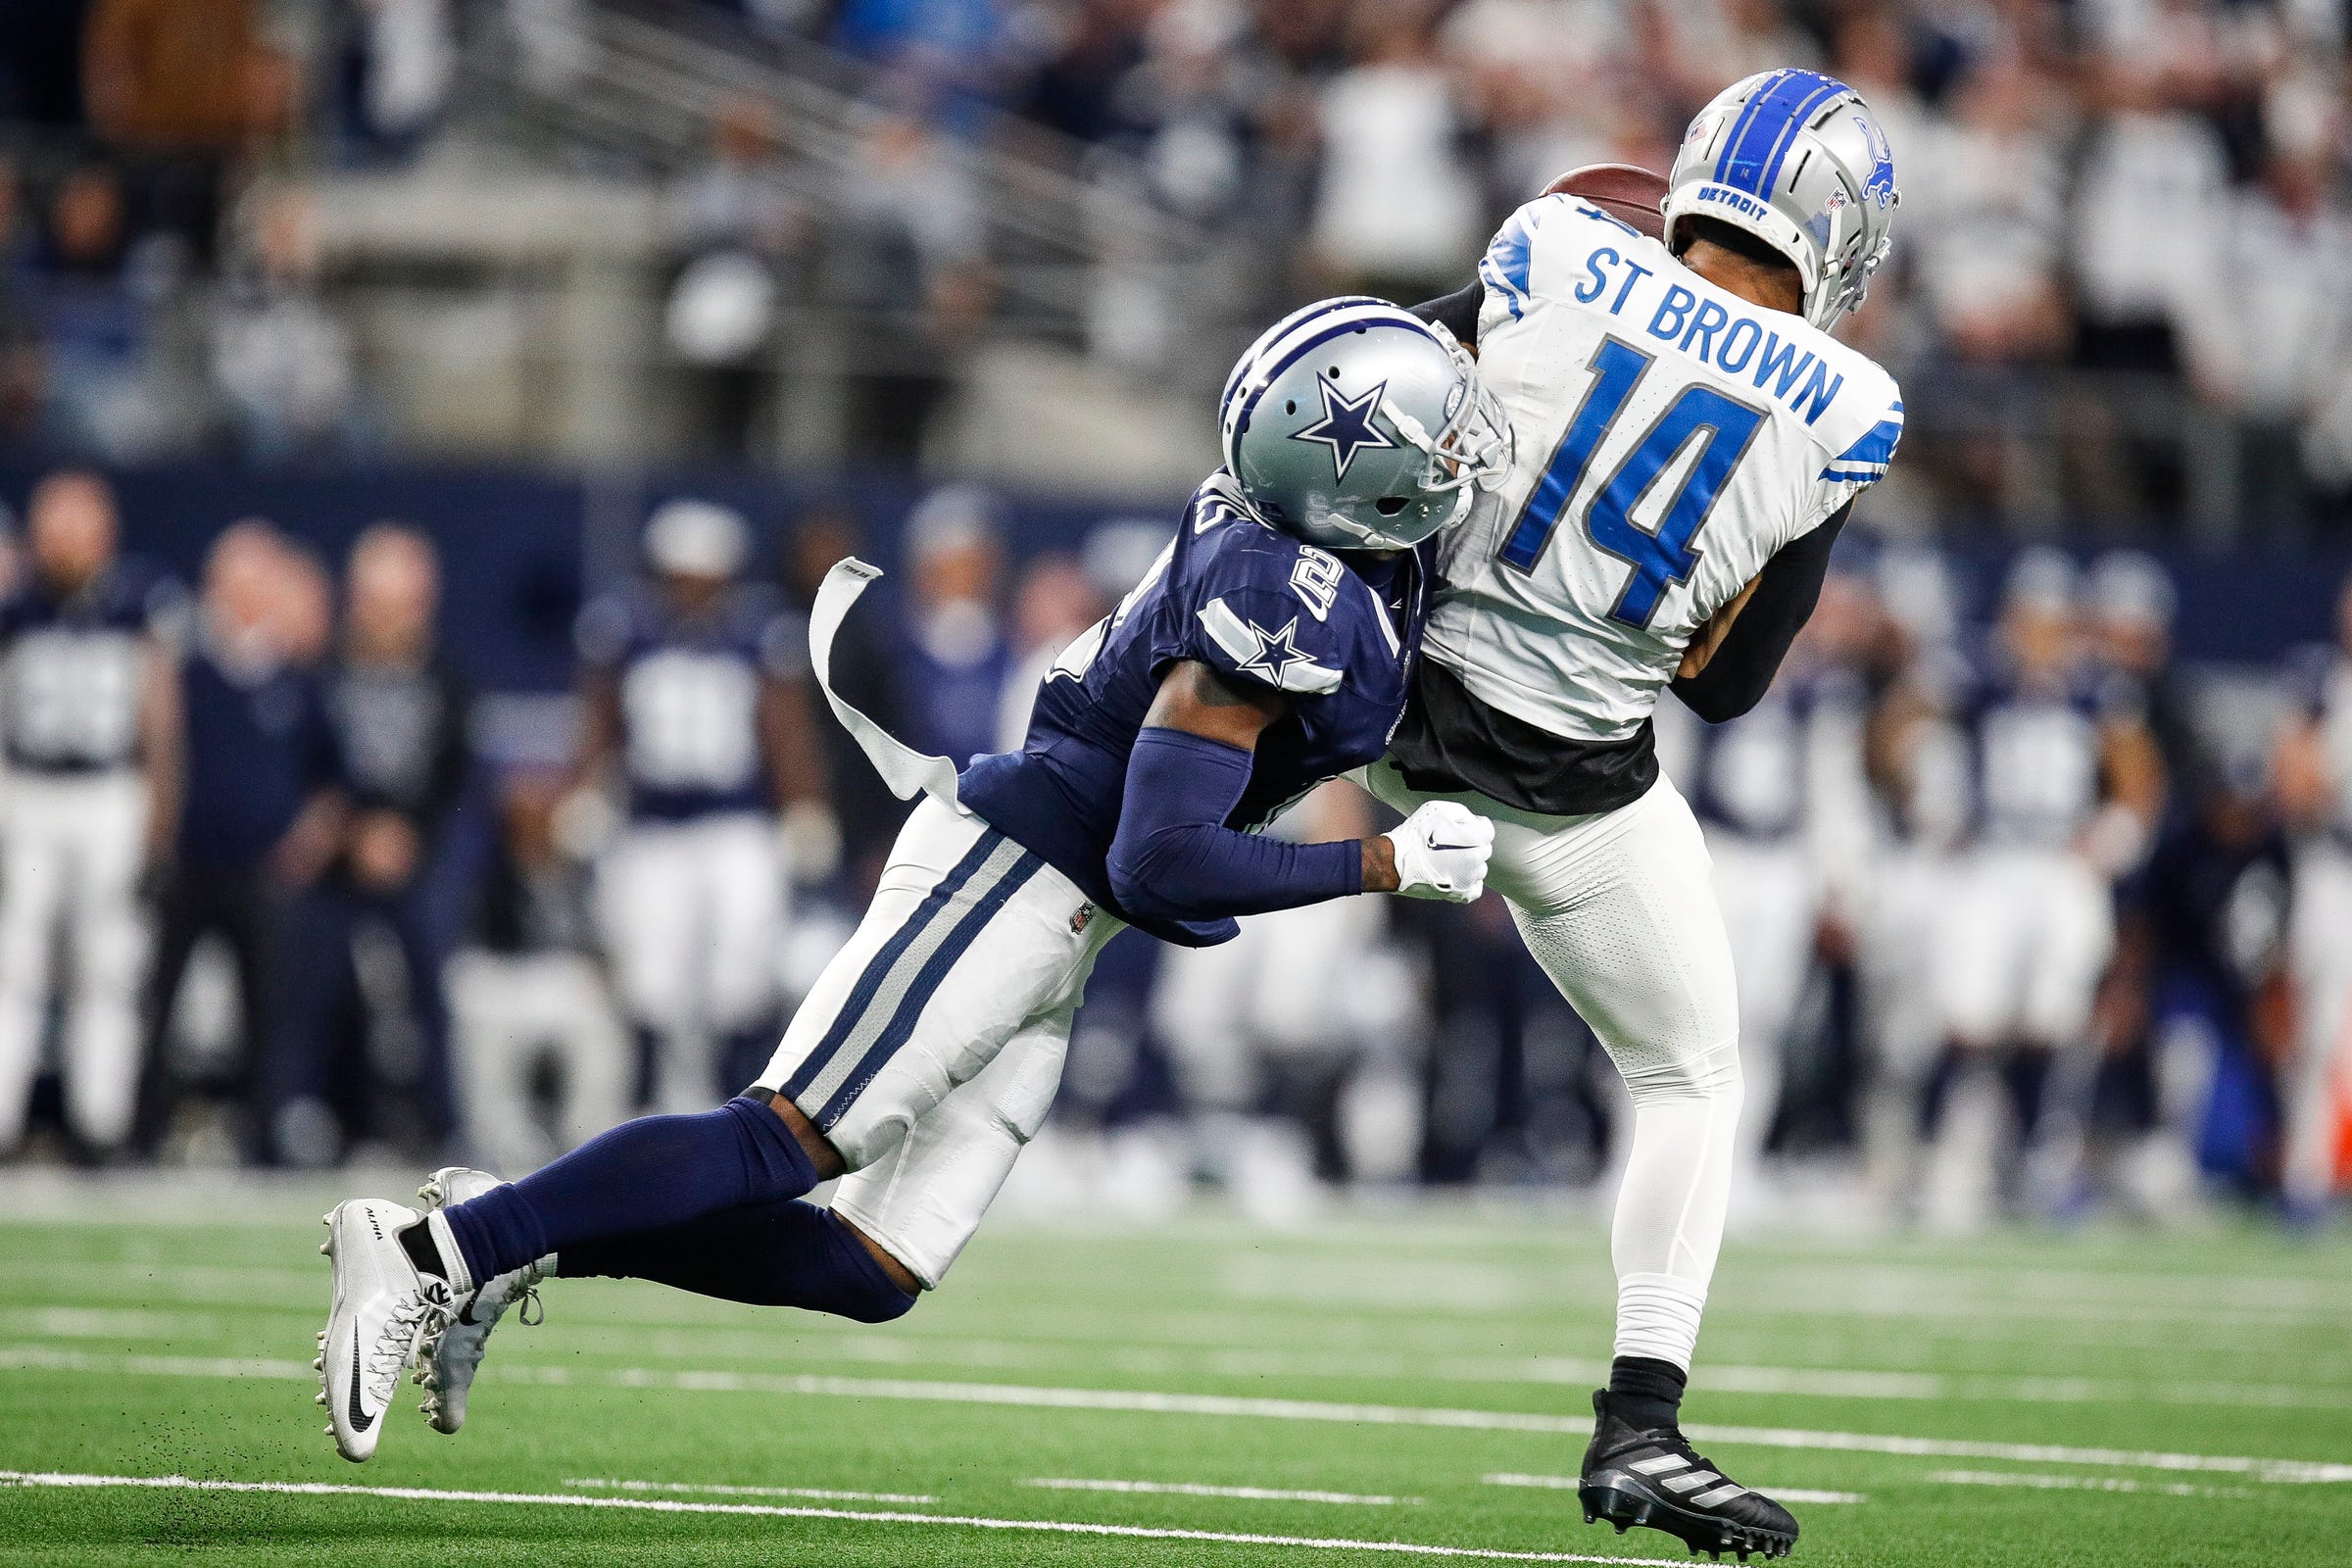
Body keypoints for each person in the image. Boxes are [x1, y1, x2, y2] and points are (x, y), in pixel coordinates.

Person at [313, 297, 1507, 1463]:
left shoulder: (1305, 505)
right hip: (1013, 875)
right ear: (1355, 475)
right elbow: (1158, 859)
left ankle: (514, 1238)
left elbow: (1393, 353)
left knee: (875, 1268)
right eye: (1435, 432)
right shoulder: (1278, 599)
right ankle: (426, 1255)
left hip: (1064, 914)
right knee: (782, 1140)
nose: (1460, 446)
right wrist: (1383, 862)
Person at [1384, 74, 1904, 1559]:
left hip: (1386, 712)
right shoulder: (1849, 404)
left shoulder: (1554, 245)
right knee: (1691, 1080)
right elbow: (1725, 685)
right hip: (1576, 786)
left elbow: (1377, 386)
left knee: (1107, 864)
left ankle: (865, 1136)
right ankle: (1641, 1424)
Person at [571, 500, 832, 1110]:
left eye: (706, 579)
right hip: (653, 824)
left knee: (743, 968)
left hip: (737, 821)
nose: (693, 592)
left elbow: (784, 726)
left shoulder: (757, 633)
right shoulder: (627, 629)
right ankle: (643, 1105)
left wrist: (803, 804)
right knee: (649, 973)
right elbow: (600, 715)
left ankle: (735, 1101)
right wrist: (588, 788)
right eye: (682, 577)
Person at [266, 524, 471, 1164]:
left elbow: (452, 774)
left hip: (410, 852)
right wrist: (352, 828)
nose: (387, 619)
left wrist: (408, 832)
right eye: (376, 602)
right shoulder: (324, 672)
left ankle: (442, 1121)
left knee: (428, 985)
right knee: (309, 982)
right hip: (338, 851)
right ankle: (293, 1113)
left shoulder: (446, 678)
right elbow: (306, 761)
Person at [137, 522, 342, 1157]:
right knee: (158, 1003)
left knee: (267, 1012)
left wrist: (305, 846)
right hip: (192, 862)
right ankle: (140, 1131)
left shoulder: (293, 677)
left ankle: (264, 1137)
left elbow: (330, 777)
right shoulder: (188, 668)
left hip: (262, 869)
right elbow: (158, 755)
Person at [0, 470, 182, 1156]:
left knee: (107, 964)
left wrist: (160, 815)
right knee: (13, 961)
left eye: (80, 526)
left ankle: (100, 1124)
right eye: (57, 527)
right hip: (27, 789)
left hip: (108, 793)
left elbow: (160, 717)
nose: (69, 542)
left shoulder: (137, 602)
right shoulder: (16, 607)